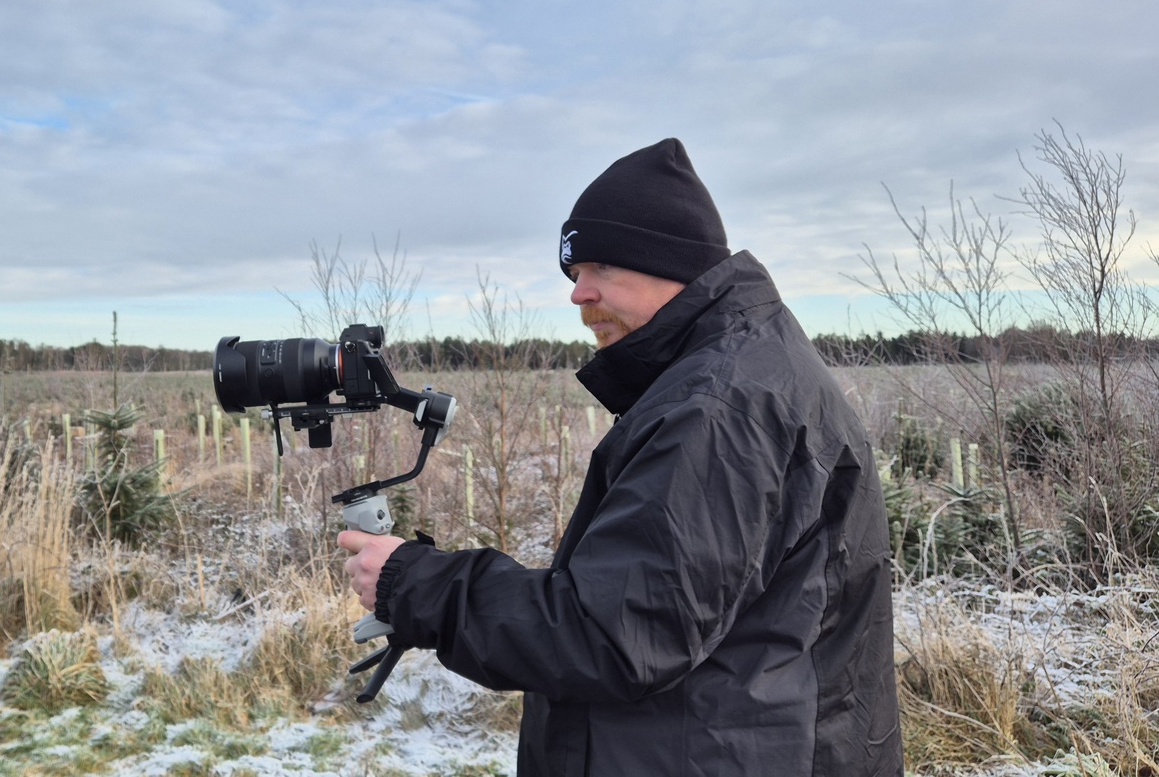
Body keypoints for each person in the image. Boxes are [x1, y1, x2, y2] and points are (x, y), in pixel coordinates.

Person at [338, 138, 903, 776]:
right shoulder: (740, 372)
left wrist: (416, 584)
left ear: (671, 262)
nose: (579, 294)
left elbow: (615, 633)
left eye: (601, 267)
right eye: (574, 273)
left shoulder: (717, 408)